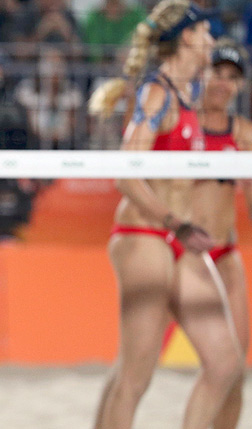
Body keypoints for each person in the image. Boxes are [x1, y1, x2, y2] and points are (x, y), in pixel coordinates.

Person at [88, 1, 245, 428]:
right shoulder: (157, 92)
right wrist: (175, 221)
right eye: (207, 34)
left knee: (227, 363)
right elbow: (126, 173)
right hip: (144, 234)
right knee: (135, 377)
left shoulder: (186, 95)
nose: (212, 42)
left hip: (178, 237)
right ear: (189, 38)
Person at [195, 38, 252, 428]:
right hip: (183, 256)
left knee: (235, 367)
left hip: (224, 252)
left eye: (232, 77)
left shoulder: (243, 132)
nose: (223, 82)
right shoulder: (180, 124)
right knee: (137, 366)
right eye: (217, 71)